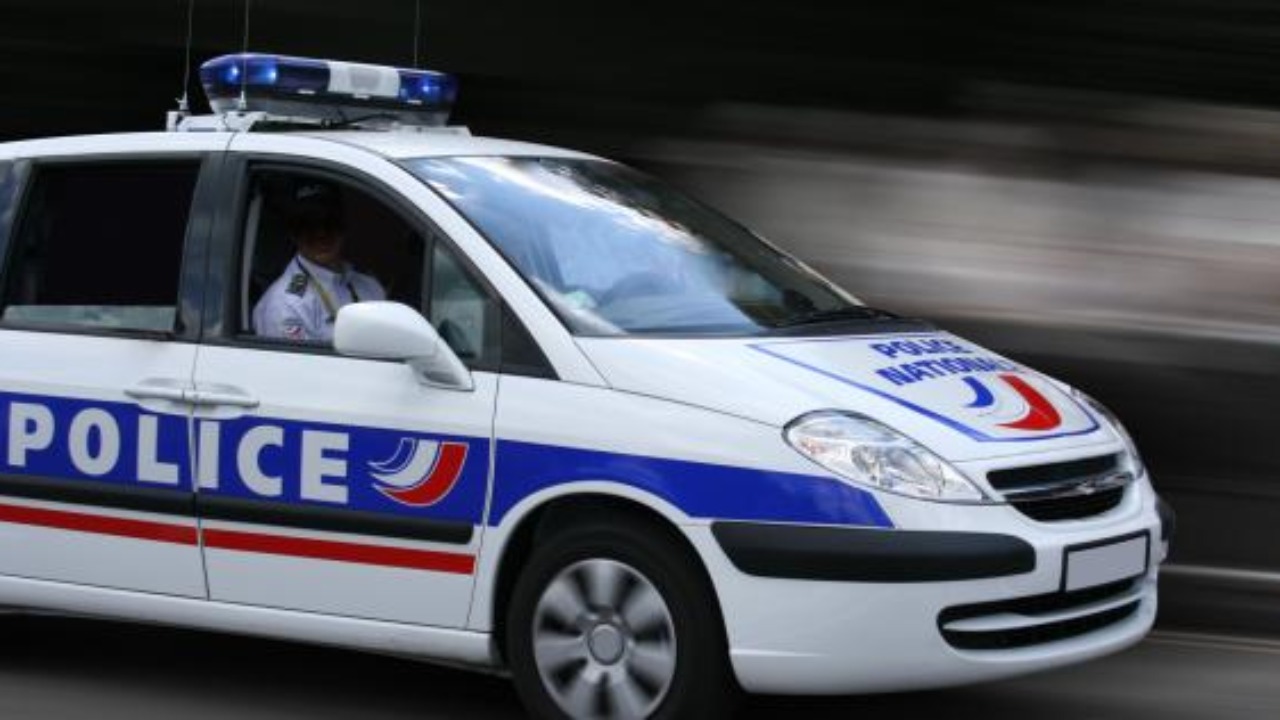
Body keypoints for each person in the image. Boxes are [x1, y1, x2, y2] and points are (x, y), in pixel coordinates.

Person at [252, 181, 386, 343]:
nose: (321, 234)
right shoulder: (285, 305)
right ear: (293, 234)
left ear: (343, 226)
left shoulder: (370, 287)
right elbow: (294, 368)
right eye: (308, 225)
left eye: (329, 222)